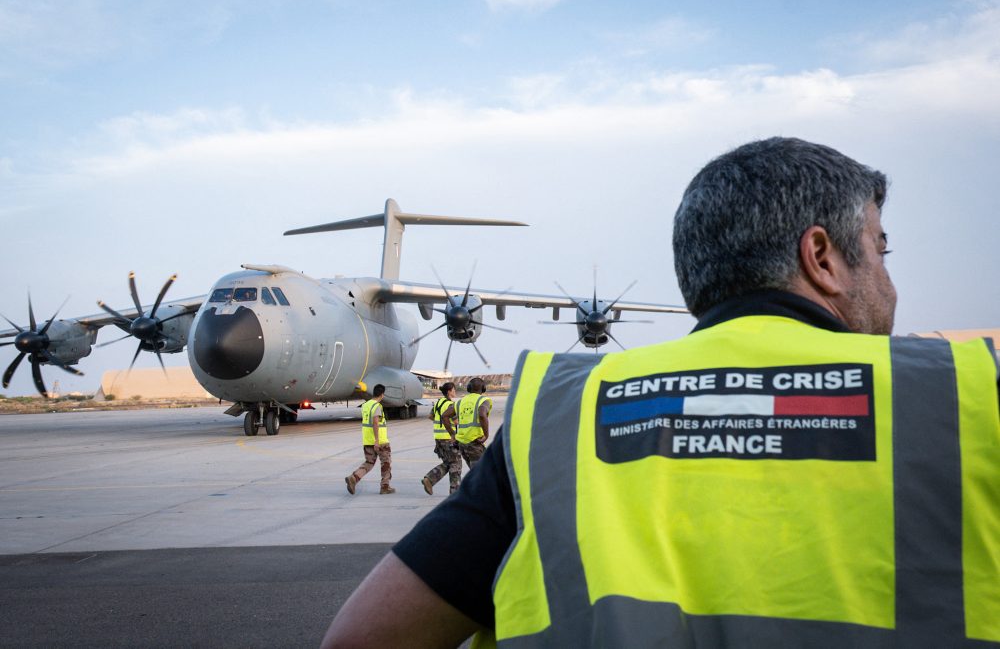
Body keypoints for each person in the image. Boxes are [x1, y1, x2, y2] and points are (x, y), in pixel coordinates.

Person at [321, 138, 1000, 648]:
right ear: (821, 257)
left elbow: (360, 638)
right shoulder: (964, 399)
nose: (890, 282)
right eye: (881, 249)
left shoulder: (559, 418)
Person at [344, 384, 395, 495]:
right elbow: (375, 422)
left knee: (369, 462)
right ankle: (385, 487)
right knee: (386, 463)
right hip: (380, 441)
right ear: (382, 394)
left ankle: (354, 477)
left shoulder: (366, 405)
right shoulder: (377, 406)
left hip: (367, 440)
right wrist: (377, 440)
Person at [421, 382, 462, 495]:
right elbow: (456, 421)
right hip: (448, 438)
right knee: (456, 464)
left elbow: (430, 416)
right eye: (453, 390)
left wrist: (439, 423)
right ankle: (455, 491)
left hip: (438, 438)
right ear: (449, 391)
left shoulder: (438, 403)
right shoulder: (449, 404)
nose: (455, 392)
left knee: (448, 462)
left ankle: (430, 479)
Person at [453, 377, 492, 469]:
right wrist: (486, 435)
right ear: (483, 388)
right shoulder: (483, 400)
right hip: (474, 442)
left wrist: (452, 433)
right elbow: (482, 414)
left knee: (475, 471)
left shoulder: (460, 402)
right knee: (481, 474)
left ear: (469, 388)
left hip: (462, 444)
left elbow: (445, 416)